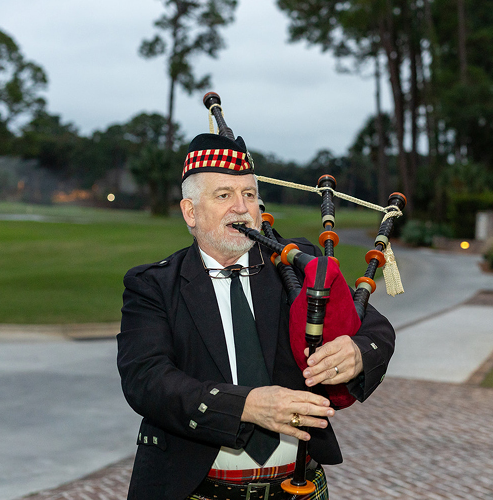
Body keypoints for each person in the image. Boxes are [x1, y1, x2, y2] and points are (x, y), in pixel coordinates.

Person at [117, 132, 395, 500]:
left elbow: (373, 327)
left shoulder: (294, 264)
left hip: (298, 487)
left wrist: (358, 351)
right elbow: (147, 380)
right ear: (190, 212)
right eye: (224, 195)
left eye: (249, 194)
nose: (241, 207)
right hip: (196, 490)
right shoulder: (153, 285)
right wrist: (247, 406)